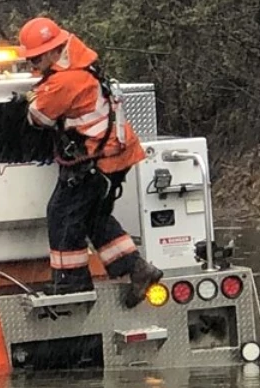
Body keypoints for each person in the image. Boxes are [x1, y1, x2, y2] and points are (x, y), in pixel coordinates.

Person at [17, 16, 163, 307]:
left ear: (50, 52)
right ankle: (137, 269)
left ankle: (71, 286)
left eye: (34, 58)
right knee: (93, 218)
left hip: (97, 161)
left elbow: (39, 117)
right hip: (113, 156)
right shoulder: (80, 64)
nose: (32, 65)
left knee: (62, 214)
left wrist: (31, 98)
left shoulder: (65, 81)